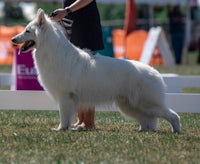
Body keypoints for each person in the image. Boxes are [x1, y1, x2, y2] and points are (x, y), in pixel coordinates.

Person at [51, 0, 104, 130]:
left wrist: (66, 10)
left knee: (86, 76)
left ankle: (89, 122)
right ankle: (81, 120)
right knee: (76, 75)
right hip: (73, 22)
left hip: (85, 24)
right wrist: (64, 12)